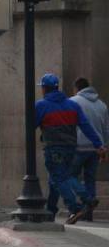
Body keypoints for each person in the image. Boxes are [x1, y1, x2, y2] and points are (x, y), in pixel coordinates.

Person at [35, 73, 105, 224]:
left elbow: (31, 126)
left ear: (44, 89)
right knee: (64, 176)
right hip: (71, 148)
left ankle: (77, 206)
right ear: (57, 87)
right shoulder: (72, 105)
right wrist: (99, 144)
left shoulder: (41, 105)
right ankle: (53, 209)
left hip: (53, 147)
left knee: (58, 178)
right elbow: (86, 126)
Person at [64, 77, 109, 221]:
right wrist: (104, 148)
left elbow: (68, 124)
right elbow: (106, 129)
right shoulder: (102, 105)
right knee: (90, 179)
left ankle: (86, 201)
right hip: (96, 148)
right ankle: (88, 214)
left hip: (78, 146)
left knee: (69, 175)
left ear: (76, 88)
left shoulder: (73, 101)